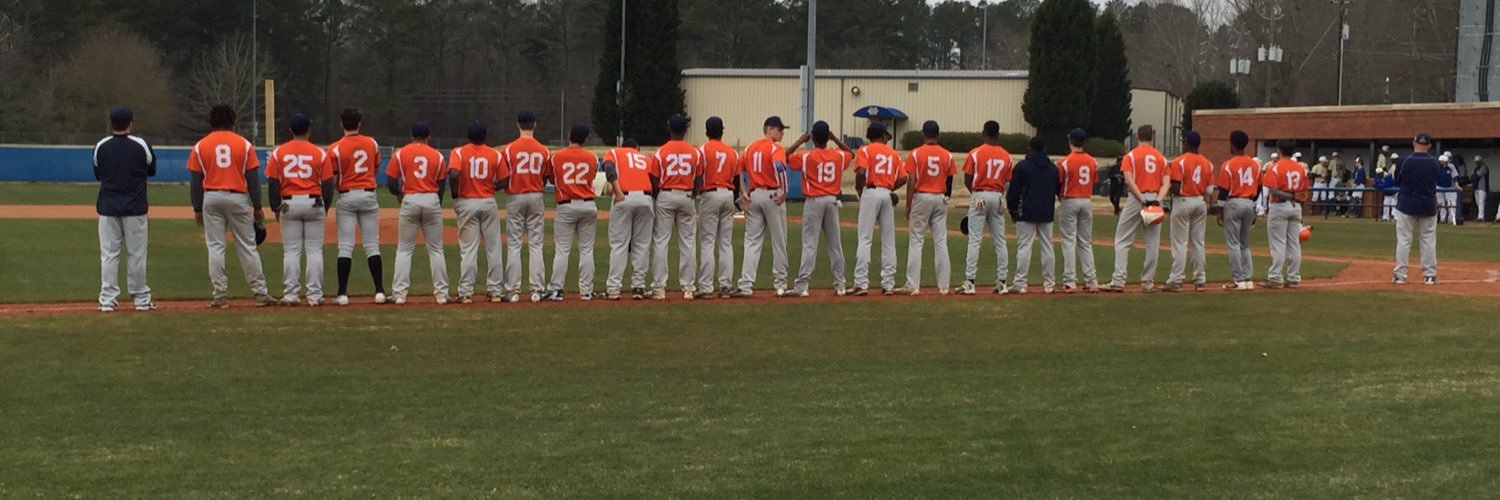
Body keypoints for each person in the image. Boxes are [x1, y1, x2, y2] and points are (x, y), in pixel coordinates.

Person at [187, 105, 273, 308]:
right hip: (237, 197)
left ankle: (220, 296)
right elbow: (252, 179)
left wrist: (197, 208)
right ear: (233, 121)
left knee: (216, 247)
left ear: (211, 121)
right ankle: (260, 293)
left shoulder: (201, 146)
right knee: (247, 246)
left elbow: (195, 180)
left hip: (211, 197)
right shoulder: (243, 145)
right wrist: (258, 205)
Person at [266, 114, 335, 306]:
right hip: (314, 201)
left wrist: (275, 207)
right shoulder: (320, 153)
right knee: (314, 250)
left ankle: (291, 295)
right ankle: (314, 295)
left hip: (289, 202)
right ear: (309, 130)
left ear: (290, 130)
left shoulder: (279, 153)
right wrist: (325, 206)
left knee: (291, 251)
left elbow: (273, 183)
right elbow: (329, 185)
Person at [93, 106, 156, 312]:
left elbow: (98, 173)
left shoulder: (101, 146)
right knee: (136, 254)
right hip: (135, 208)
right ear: (131, 123)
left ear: (112, 124)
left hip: (108, 207)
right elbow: (151, 169)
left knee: (109, 255)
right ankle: (141, 299)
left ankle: (107, 300)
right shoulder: (141, 145)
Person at [781, 121, 853, 297]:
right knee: (835, 245)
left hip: (814, 201)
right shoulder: (837, 155)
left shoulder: (806, 156)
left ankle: (802, 285)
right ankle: (840, 284)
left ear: (813, 137)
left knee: (810, 244)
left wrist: (800, 141)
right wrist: (835, 138)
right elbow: (850, 153)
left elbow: (784, 156)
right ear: (827, 136)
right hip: (831, 200)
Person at [327, 108, 386, 306]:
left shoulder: (335, 148)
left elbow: (332, 177)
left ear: (342, 124)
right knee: (372, 245)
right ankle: (379, 291)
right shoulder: (372, 143)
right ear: (359, 123)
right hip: (368, 194)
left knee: (345, 246)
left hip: (347, 195)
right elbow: (375, 168)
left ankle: (342, 294)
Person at [386, 122, 449, 305]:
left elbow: (391, 181)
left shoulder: (401, 153)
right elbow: (442, 184)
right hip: (431, 199)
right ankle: (442, 294)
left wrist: (399, 194)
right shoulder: (437, 156)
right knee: (436, 249)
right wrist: (436, 202)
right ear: (428, 136)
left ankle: (399, 294)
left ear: (411, 135)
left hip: (410, 199)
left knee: (404, 249)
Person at [731, 116, 792, 298]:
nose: (781, 133)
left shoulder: (750, 147)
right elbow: (780, 168)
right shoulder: (775, 148)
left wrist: (743, 191)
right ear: (769, 129)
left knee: (752, 242)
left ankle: (746, 284)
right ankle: (780, 283)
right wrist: (785, 191)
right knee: (779, 241)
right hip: (773, 195)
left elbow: (738, 169)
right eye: (779, 129)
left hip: (754, 195)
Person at [894, 120, 956, 296]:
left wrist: (908, 204)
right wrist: (946, 196)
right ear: (938, 134)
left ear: (923, 134)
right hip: (940, 197)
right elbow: (950, 178)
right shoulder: (947, 155)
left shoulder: (916, 154)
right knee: (941, 241)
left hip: (922, 196)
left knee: (916, 240)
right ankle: (944, 285)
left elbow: (912, 179)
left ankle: (913, 284)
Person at [448, 121, 508, 304]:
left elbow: (455, 174)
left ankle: (466, 293)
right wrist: (492, 186)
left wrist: (455, 194)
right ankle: (495, 291)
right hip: (488, 201)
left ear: (468, 136)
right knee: (494, 248)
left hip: (467, 201)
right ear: (485, 136)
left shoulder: (458, 152)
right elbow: (505, 180)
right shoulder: (494, 154)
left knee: (468, 250)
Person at [1106, 125, 1169, 293]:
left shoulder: (1131, 156)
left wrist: (1142, 200)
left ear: (1137, 136)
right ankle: (1148, 282)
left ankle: (1118, 280)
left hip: (1137, 198)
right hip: (1155, 198)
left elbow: (1128, 180)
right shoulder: (1161, 158)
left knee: (1122, 239)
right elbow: (1166, 183)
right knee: (1152, 243)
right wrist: (1157, 200)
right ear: (1152, 137)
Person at [544, 124, 600, 301]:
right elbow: (591, 177)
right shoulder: (592, 157)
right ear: (585, 139)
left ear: (569, 136)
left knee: (562, 250)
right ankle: (586, 291)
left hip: (566, 205)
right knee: (586, 250)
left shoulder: (557, 156)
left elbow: (552, 178)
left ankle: (556, 289)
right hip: (588, 204)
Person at [651, 114, 704, 300]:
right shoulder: (695, 152)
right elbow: (699, 178)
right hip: (686, 195)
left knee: (661, 242)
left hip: (666, 193)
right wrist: (693, 193)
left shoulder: (661, 151)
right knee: (688, 243)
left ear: (669, 129)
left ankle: (659, 288)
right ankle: (688, 287)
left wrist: (660, 196)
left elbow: (655, 178)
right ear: (685, 130)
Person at [499, 110, 550, 303]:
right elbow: (545, 176)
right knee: (536, 243)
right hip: (536, 194)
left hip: (515, 195)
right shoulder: (543, 150)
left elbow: (503, 177)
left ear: (518, 125)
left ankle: (513, 290)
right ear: (535, 125)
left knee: (514, 244)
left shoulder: (508, 150)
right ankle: (537, 290)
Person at [958, 120, 1013, 295]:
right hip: (997, 196)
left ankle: (970, 281)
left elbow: (967, 178)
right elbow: (1007, 181)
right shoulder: (1006, 156)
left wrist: (974, 193)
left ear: (984, 133)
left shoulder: (976, 153)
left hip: (980, 193)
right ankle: (1003, 282)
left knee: (975, 239)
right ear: (998, 134)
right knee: (1000, 240)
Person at [851, 122, 905, 296]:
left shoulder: (865, 150)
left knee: (865, 238)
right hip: (887, 194)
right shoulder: (893, 153)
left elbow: (861, 173)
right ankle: (888, 284)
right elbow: (903, 178)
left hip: (871, 191)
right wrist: (889, 188)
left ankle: (861, 283)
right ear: (882, 136)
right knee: (888, 241)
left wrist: (859, 188)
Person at [602, 140, 656, 300]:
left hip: (624, 196)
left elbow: (609, 168)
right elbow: (655, 181)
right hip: (645, 197)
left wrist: (617, 191)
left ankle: (613, 288)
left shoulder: (615, 152)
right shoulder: (644, 158)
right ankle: (638, 287)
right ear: (636, 148)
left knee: (619, 244)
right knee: (642, 245)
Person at [1005, 136, 1059, 294]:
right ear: (1044, 149)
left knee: (1024, 246)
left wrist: (1012, 209)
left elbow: (1013, 191)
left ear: (1030, 148)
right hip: (1046, 210)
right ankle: (1049, 283)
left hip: (1026, 209)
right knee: (1048, 247)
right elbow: (1056, 187)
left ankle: (1020, 283)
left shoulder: (1022, 166)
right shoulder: (1052, 168)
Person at [696, 117, 740, 298]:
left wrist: (698, 192)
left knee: (707, 242)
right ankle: (725, 286)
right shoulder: (732, 152)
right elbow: (737, 179)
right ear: (722, 131)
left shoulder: (702, 150)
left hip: (710, 193)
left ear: (707, 132)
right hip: (728, 194)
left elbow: (698, 176)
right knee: (726, 243)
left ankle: (706, 287)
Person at [1164, 131, 1212, 292]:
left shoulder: (1179, 162)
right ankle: (1200, 279)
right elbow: (1210, 190)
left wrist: (1166, 187)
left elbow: (1176, 188)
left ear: (1186, 142)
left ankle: (1176, 279)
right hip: (1200, 201)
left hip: (1183, 201)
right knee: (1198, 242)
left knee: (1180, 242)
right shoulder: (1207, 163)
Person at [1392, 133, 1441, 285]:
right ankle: (1430, 275)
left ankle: (1400, 275)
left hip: (1406, 204)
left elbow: (1397, 179)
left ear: (1414, 143)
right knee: (1428, 240)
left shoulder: (1405, 160)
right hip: (1427, 204)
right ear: (1430, 146)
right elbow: (1434, 180)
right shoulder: (1434, 162)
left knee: (1404, 240)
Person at [1261, 139, 1308, 289]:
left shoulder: (1275, 167)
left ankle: (1275, 278)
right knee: (1294, 243)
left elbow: (1273, 191)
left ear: (1279, 150)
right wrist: (1296, 199)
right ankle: (1293, 277)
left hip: (1279, 206)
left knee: (1278, 243)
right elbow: (1304, 191)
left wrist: (1291, 196)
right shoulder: (1300, 168)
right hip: (1296, 207)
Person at [1216, 130, 1260, 291]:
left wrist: (1219, 210)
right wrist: (1252, 204)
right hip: (1249, 202)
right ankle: (1248, 279)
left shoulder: (1229, 164)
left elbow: (1223, 190)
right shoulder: (1255, 164)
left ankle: (1239, 279)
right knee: (1244, 244)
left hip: (1234, 202)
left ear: (1233, 144)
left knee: (1234, 244)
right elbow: (1259, 188)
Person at [1055, 127, 1098, 293]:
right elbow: (1093, 181)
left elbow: (1059, 183)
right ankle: (1091, 280)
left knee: (1068, 241)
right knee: (1085, 242)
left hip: (1069, 199)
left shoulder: (1064, 162)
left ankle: (1070, 281)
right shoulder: (1093, 161)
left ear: (1070, 141)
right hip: (1086, 200)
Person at [1472, 156, 1496, 222]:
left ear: (1481, 161)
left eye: (1478, 161)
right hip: (1476, 187)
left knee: (1481, 202)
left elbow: (1478, 175)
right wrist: (1473, 176)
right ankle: (1480, 216)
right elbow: (1473, 176)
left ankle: (1480, 217)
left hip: (1483, 187)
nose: (1477, 163)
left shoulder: (1484, 167)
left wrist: (1473, 176)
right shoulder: (1476, 168)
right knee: (1478, 203)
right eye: (1476, 162)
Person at [1437, 154, 1458, 225]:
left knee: (1451, 203)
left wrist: (1457, 186)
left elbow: (1455, 177)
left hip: (1450, 188)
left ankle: (1452, 219)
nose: (1440, 162)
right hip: (1439, 187)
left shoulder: (1451, 166)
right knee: (1441, 203)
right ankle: (1442, 219)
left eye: (1441, 161)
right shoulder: (1438, 167)